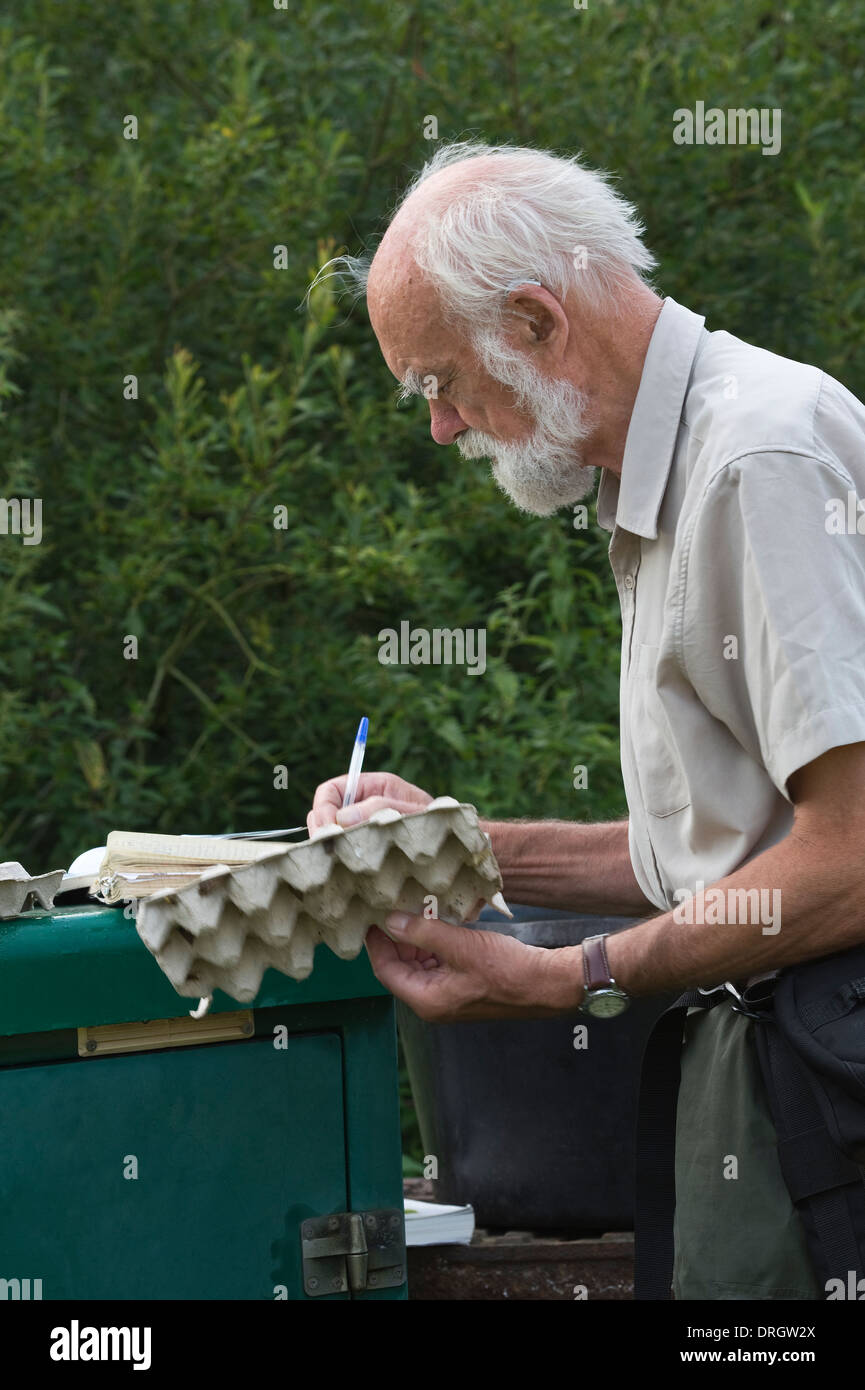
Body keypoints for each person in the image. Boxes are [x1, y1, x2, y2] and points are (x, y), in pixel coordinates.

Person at [306, 141, 865, 1299]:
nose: (442, 427)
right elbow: (733, 851)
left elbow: (851, 859)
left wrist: (562, 979)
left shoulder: (755, 455)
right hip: (769, 1071)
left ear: (532, 321)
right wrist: (455, 847)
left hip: (830, 1081)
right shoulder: (665, 470)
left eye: (437, 380)